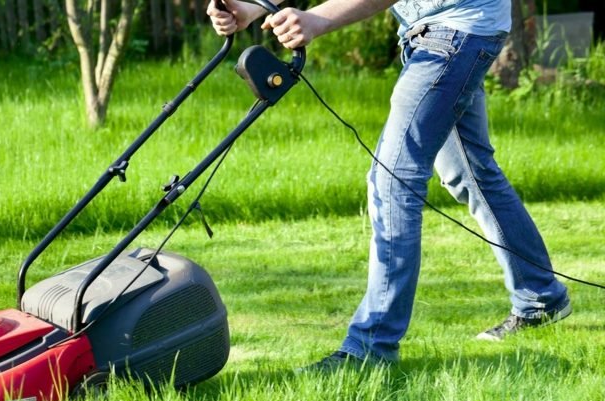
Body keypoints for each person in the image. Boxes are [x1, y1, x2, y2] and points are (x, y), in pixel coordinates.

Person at [206, 0, 571, 368]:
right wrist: (250, 6)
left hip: (457, 30)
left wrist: (316, 20)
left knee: (394, 181)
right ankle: (540, 297)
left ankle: (371, 347)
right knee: (471, 175)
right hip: (436, 31)